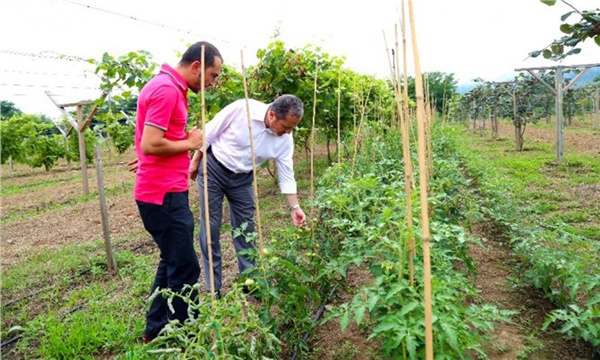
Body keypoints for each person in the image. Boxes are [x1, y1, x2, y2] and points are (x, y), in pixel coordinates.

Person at [133, 41, 223, 343]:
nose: (213, 83)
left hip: (166, 191)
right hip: (163, 196)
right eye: (212, 75)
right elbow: (150, 143)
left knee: (170, 262)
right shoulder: (167, 90)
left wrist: (179, 140)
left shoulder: (168, 87)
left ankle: (155, 328)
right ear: (196, 66)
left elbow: (155, 141)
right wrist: (192, 143)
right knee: (185, 267)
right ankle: (187, 337)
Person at [190, 94, 306, 298]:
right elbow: (210, 132)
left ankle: (250, 280)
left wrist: (295, 208)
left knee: (246, 229)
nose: (288, 132)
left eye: (292, 128)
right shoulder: (241, 109)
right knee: (210, 227)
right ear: (271, 115)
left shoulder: (286, 139)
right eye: (286, 127)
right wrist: (196, 159)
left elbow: (287, 172)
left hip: (243, 179)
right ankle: (213, 289)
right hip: (214, 170)